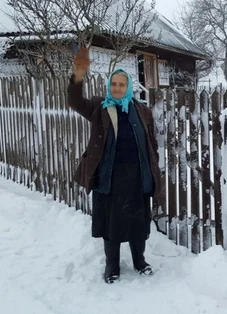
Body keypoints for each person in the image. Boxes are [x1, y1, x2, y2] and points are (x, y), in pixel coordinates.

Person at [67, 47, 161, 284]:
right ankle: (112, 265)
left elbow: (151, 143)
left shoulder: (142, 110)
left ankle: (139, 260)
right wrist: (78, 71)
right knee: (112, 223)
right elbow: (74, 100)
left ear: (128, 86)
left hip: (138, 176)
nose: (117, 88)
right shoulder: (100, 107)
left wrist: (153, 168)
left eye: (121, 84)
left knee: (138, 221)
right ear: (109, 86)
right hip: (109, 176)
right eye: (114, 84)